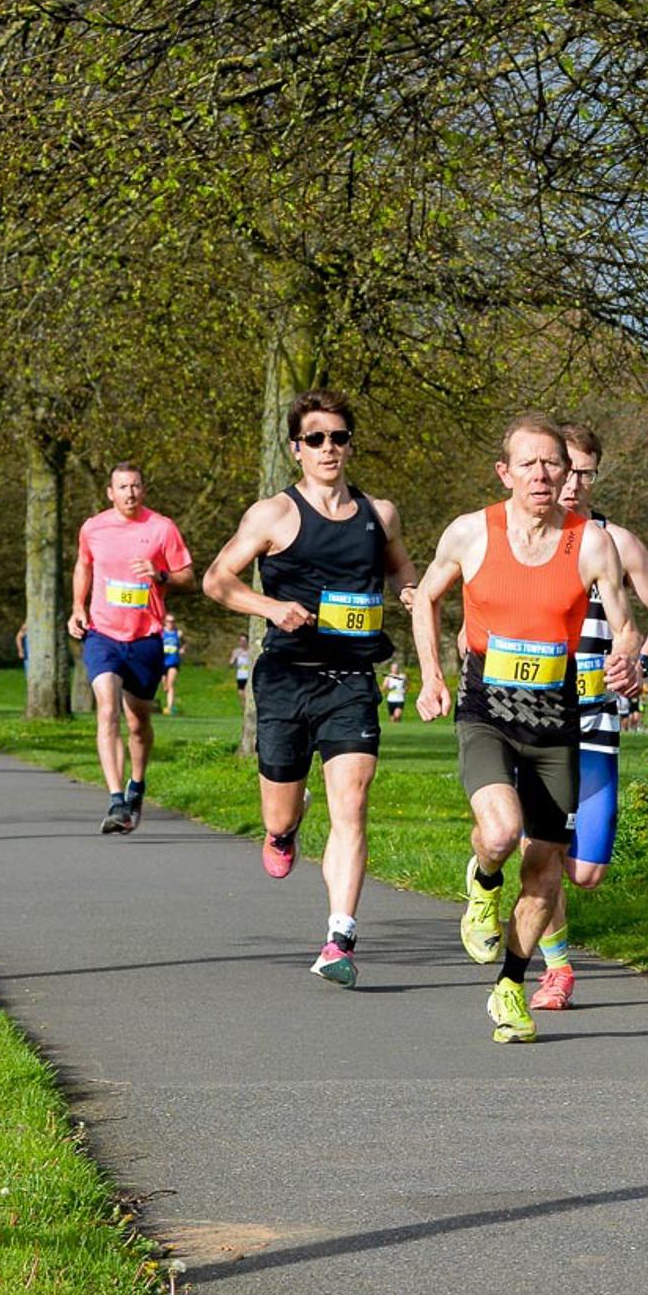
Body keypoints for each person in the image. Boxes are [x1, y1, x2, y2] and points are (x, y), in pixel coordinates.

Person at [411, 414, 639, 1045]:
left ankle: (511, 986)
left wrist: (627, 655)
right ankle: (482, 882)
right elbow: (427, 597)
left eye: (553, 464)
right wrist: (431, 674)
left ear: (568, 473)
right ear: (505, 472)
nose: (542, 474)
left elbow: (625, 619)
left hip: (556, 725)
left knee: (543, 870)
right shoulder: (470, 532)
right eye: (529, 464)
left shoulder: (591, 543)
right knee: (502, 832)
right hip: (487, 713)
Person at [204, 389, 417, 987]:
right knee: (281, 806)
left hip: (351, 678)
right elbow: (217, 580)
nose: (330, 448)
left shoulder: (381, 513)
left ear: (350, 444)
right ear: (297, 448)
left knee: (351, 800)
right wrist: (271, 607)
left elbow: (401, 565)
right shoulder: (272, 514)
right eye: (317, 439)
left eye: (339, 437)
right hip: (287, 677)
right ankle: (283, 830)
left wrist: (407, 590)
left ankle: (339, 937)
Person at [525, 423, 648, 1010]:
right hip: (533, 717)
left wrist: (635, 662)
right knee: (538, 850)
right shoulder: (526, 540)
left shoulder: (620, 542)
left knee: (586, 871)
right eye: (566, 468)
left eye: (586, 471)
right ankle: (557, 968)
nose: (573, 482)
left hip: (597, 718)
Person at [69, 463, 196, 834]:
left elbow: (188, 576)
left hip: (146, 638)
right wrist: (78, 607)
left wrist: (160, 576)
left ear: (144, 489)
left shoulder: (162, 528)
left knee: (138, 722)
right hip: (102, 634)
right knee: (107, 709)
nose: (129, 493)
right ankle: (115, 801)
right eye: (122, 487)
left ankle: (136, 785)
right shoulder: (93, 527)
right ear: (110, 492)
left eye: (135, 486)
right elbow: (83, 564)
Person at [160, 614, 186, 714]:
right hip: (162, 662)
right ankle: (169, 702)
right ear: (165, 622)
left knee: (171, 684)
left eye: (173, 621)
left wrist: (182, 649)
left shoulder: (178, 633)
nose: (171, 623)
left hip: (173, 661)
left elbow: (184, 643)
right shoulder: (161, 633)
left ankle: (170, 708)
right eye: (168, 621)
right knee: (165, 686)